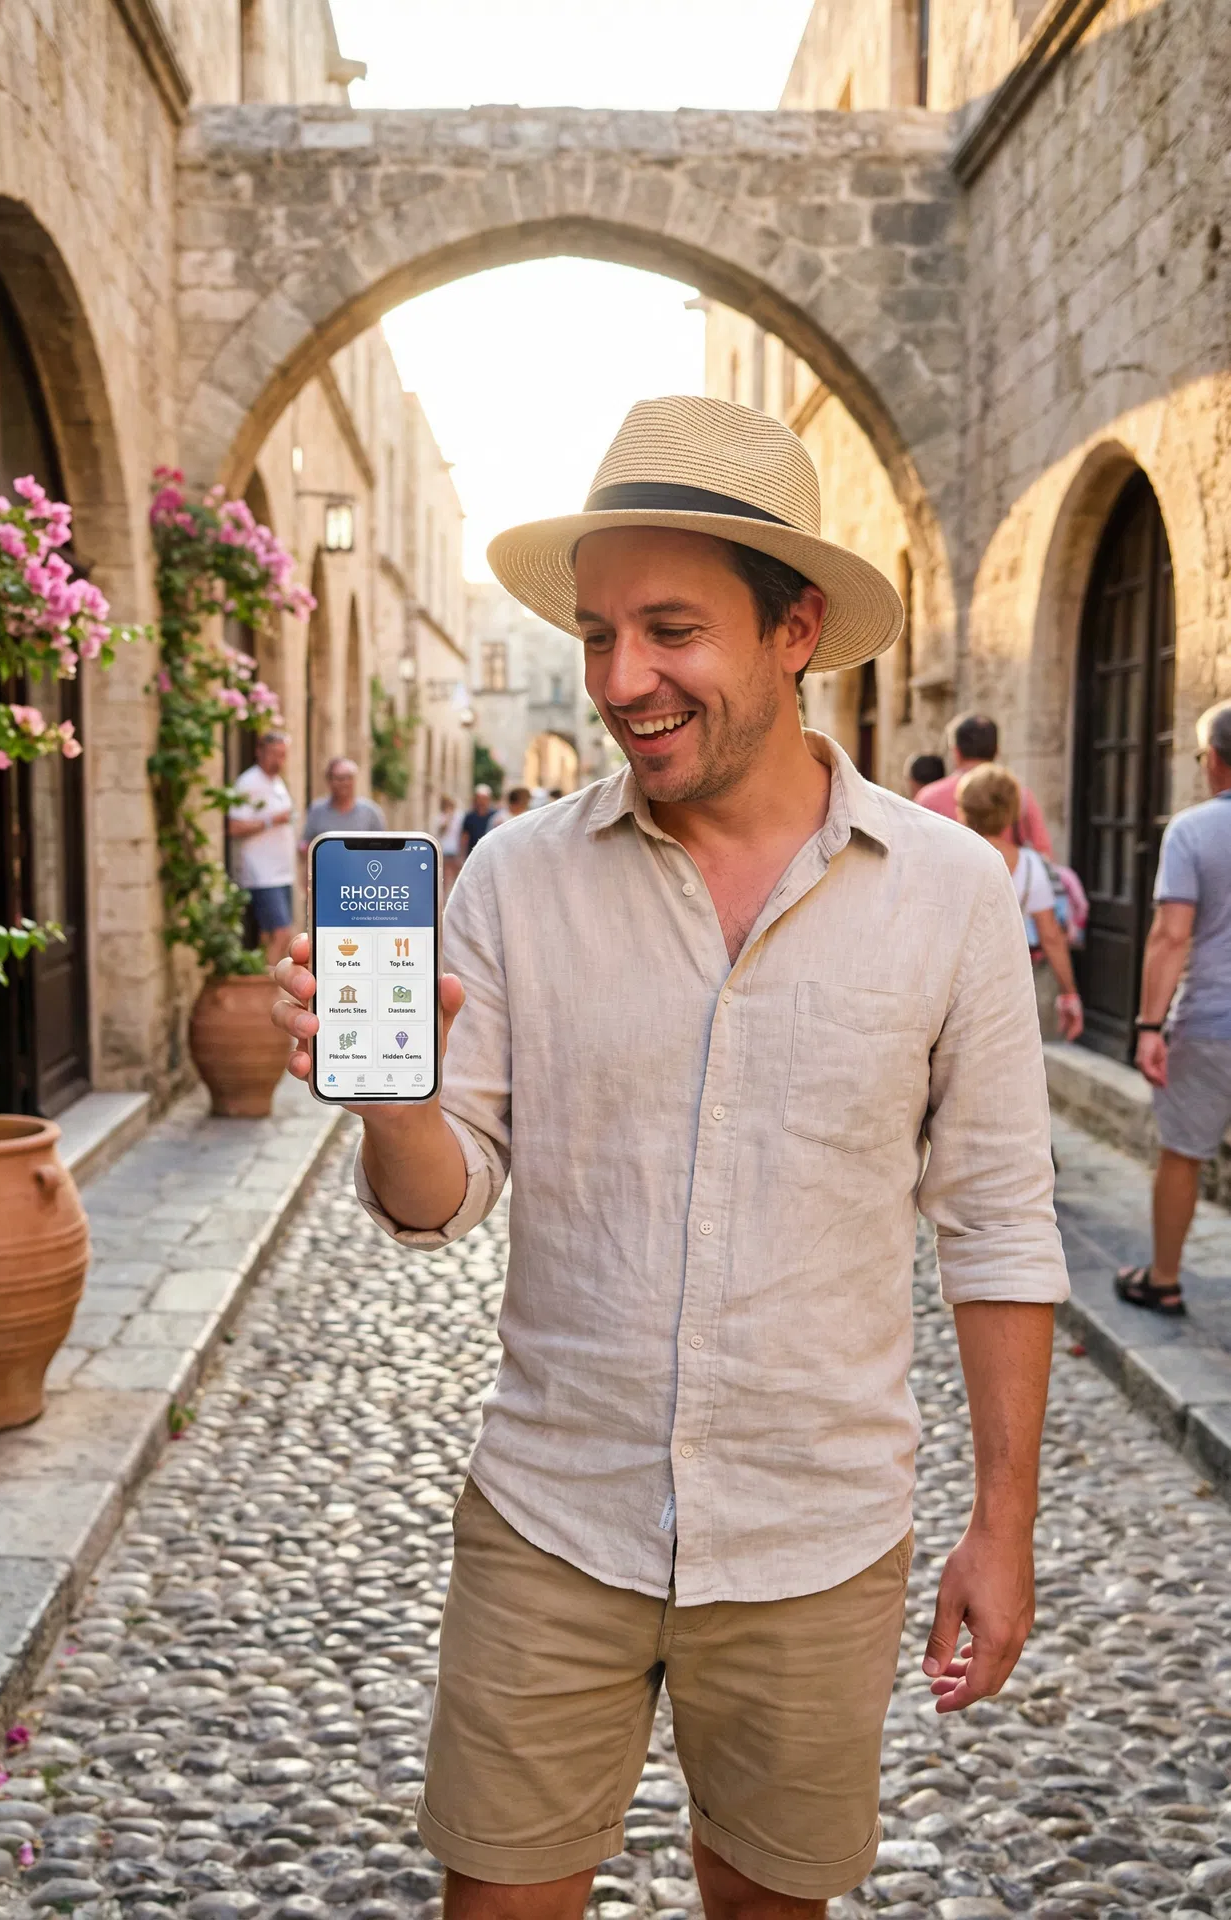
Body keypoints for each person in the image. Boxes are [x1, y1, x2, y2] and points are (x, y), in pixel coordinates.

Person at [274, 397, 1067, 1920]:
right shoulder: (512, 880)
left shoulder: (951, 898)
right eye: (593, 634)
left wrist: (1002, 1528)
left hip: (814, 1539)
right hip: (549, 1521)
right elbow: (437, 1203)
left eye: (668, 629)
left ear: (796, 628)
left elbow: (998, 1226)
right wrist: (389, 1098)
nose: (620, 680)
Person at [1117, 699, 1231, 1316]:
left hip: (1211, 1024)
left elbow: (1170, 935)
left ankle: (1163, 1279)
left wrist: (1149, 1027)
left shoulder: (1191, 830)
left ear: (1214, 759)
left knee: (1183, 1154)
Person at [955, 764, 1083, 1043]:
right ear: (1012, 813)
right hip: (1008, 986)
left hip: (953, 985)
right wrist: (1069, 993)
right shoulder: (1030, 864)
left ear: (964, 808)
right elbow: (1050, 935)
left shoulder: (948, 856)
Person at [916, 713, 1054, 856]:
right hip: (1006, 875)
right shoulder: (1020, 795)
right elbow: (1044, 853)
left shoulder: (929, 798)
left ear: (956, 752)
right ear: (997, 751)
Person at [226, 731, 297, 967]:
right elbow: (234, 827)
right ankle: (271, 987)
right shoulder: (248, 783)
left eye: (283, 755)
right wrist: (271, 820)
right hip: (262, 874)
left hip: (282, 872)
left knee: (269, 935)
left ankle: (265, 982)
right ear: (259, 752)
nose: (279, 760)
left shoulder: (277, 782)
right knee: (281, 932)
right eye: (274, 754)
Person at [299, 756, 386, 851]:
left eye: (348, 777)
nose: (344, 783)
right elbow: (305, 844)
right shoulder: (317, 810)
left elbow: (383, 848)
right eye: (339, 778)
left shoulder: (371, 812)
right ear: (329, 781)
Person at [459, 784, 498, 860]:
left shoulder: (495, 816)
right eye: (479, 798)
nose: (481, 801)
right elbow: (465, 836)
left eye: (484, 798)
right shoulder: (469, 816)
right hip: (472, 854)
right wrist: (461, 855)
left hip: (490, 855)